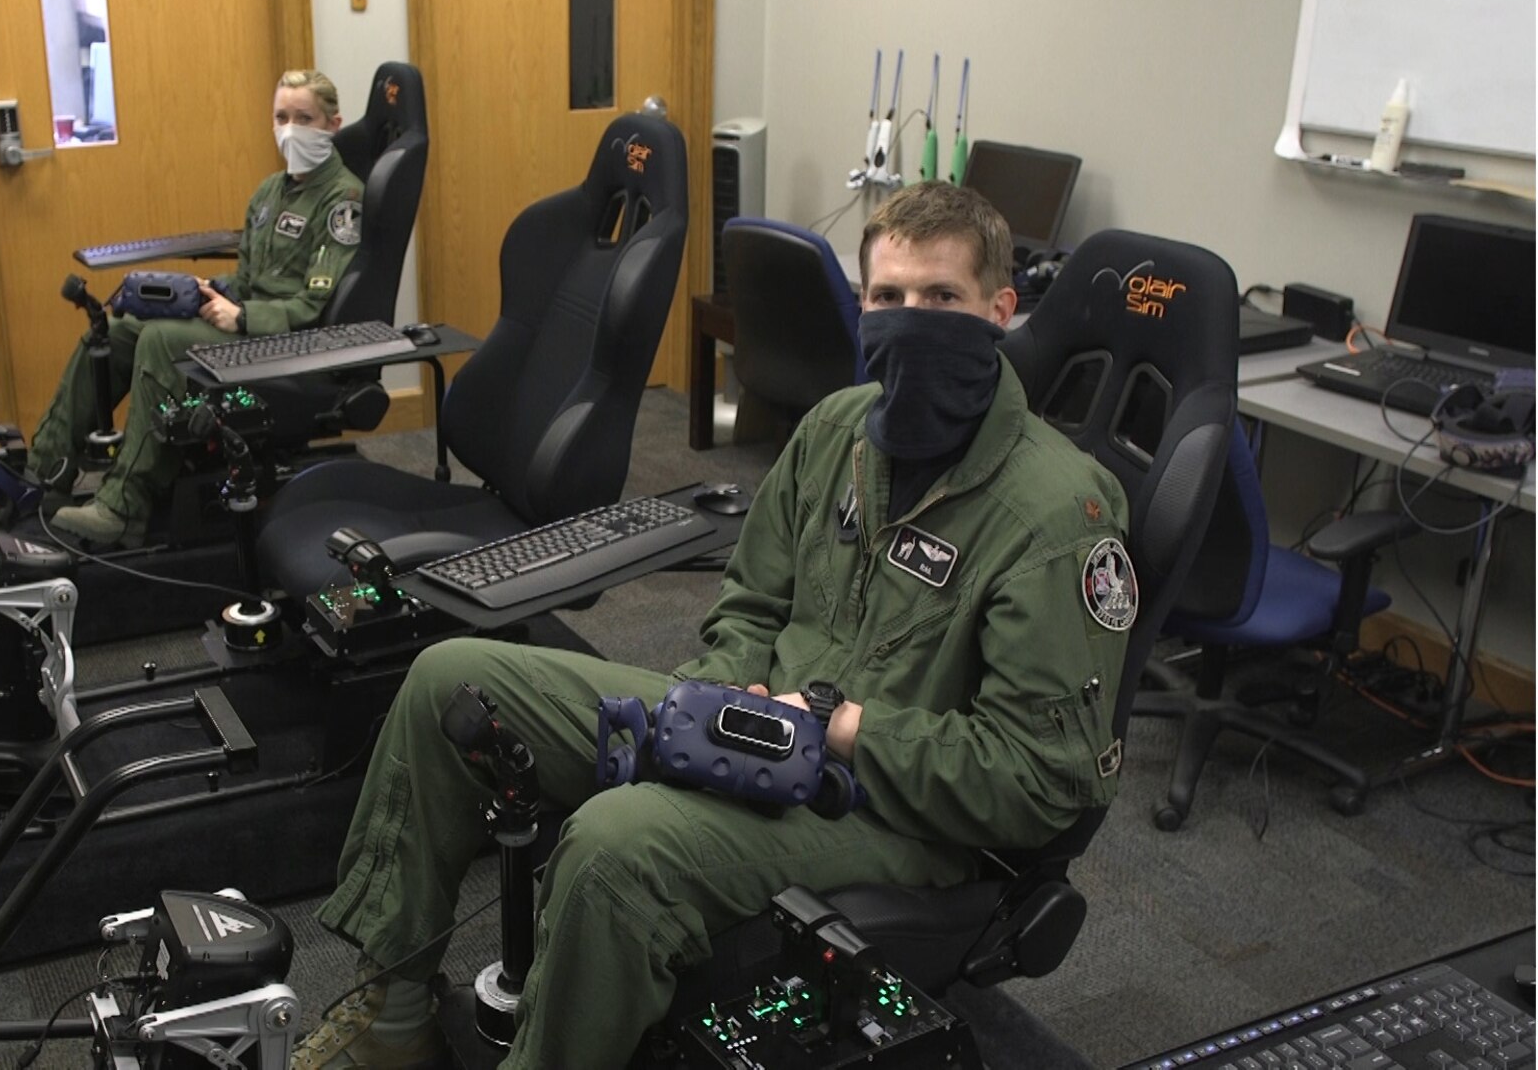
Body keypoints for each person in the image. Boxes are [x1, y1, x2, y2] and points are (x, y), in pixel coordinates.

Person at [290, 182, 1138, 1070]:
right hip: (762, 725)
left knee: (614, 850)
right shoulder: (838, 431)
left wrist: (846, 732)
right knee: (449, 677)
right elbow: (752, 603)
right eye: (889, 297)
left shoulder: (1055, 514)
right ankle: (391, 1016)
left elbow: (1045, 781)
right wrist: (729, 686)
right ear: (862, 305)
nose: (910, 318)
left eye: (942, 297)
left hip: (897, 812)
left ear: (999, 310)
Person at [33, 68, 364, 545]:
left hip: (286, 340)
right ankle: (46, 467)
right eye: (281, 116)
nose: (290, 128)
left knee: (162, 341)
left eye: (304, 117)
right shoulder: (270, 192)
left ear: (333, 125)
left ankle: (124, 506)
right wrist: (210, 290)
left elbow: (316, 302)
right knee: (123, 325)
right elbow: (251, 279)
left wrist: (242, 315)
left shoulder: (343, 199)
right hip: (245, 319)